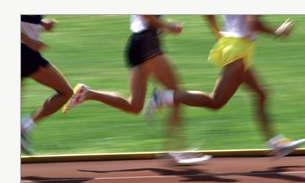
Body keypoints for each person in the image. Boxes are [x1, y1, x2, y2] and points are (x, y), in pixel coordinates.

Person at [146, 15, 305, 158]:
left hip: (234, 46)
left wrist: (217, 33)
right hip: (239, 50)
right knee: (215, 101)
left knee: (261, 94)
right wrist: (277, 32)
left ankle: (275, 143)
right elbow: (253, 23)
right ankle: (163, 96)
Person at [61, 15, 211, 164]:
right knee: (176, 96)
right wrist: (168, 27)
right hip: (147, 43)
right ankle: (176, 148)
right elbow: (147, 17)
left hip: (137, 43)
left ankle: (88, 93)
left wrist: (167, 25)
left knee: (134, 106)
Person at [20, 15, 73, 154]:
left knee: (66, 92)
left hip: (28, 52)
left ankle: (24, 126)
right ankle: (25, 126)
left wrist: (42, 23)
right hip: (25, 52)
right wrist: (29, 40)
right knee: (66, 92)